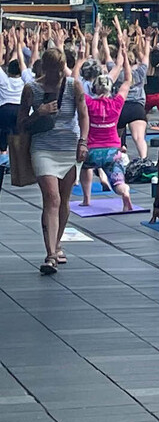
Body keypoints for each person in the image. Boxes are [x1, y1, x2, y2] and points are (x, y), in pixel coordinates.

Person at [17, 46, 89, 275]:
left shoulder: (73, 85)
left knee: (64, 200)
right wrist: (39, 112)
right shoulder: (31, 89)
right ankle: (50, 254)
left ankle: (56, 243)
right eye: (54, 70)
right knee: (52, 197)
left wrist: (84, 142)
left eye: (60, 70)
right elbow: (20, 123)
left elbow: (84, 114)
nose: (58, 75)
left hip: (68, 147)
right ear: (44, 68)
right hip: (43, 148)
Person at [78, 33, 135, 213]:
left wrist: (80, 60)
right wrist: (125, 57)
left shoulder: (89, 102)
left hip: (92, 150)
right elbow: (127, 80)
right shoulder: (116, 103)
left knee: (85, 167)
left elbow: (75, 83)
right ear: (110, 89)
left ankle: (87, 199)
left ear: (94, 89)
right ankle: (124, 192)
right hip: (112, 149)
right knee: (117, 179)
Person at [116, 25, 151, 160]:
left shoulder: (118, 74)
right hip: (137, 107)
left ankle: (117, 159)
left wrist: (122, 45)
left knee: (116, 137)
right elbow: (146, 57)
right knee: (139, 138)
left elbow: (107, 58)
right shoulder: (140, 72)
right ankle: (144, 160)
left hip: (121, 106)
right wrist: (147, 40)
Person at [1, 28, 35, 144]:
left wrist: (3, 42)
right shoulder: (25, 80)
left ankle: (3, 152)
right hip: (20, 110)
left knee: (3, 133)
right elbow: (32, 61)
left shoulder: (4, 80)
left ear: (8, 71)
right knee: (20, 138)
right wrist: (18, 43)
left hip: (4, 110)